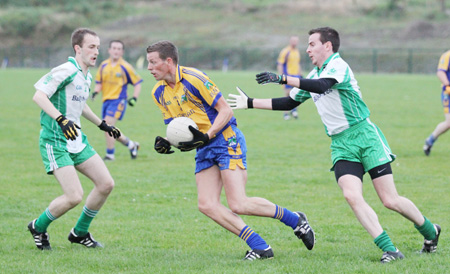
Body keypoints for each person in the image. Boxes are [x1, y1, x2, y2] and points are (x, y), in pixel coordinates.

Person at [227, 27, 441, 263]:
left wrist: (283, 78)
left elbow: (321, 86)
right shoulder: (314, 73)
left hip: (365, 136)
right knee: (351, 195)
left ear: (327, 46)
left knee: (390, 200)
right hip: (341, 144)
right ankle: (390, 249)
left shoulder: (338, 66)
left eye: (312, 44)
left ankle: (431, 232)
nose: (307, 49)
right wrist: (249, 102)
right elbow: (289, 102)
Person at [146, 40, 315, 260]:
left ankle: (295, 220)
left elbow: (225, 111)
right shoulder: (157, 92)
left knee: (239, 203)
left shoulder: (195, 79)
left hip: (226, 139)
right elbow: (177, 127)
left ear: (169, 61)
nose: (149, 67)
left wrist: (207, 135)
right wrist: (168, 142)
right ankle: (260, 247)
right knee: (206, 204)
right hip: (204, 147)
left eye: (153, 62)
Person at [29, 28, 121, 250]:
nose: (96, 51)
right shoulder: (65, 70)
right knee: (74, 196)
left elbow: (80, 105)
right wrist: (61, 119)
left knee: (106, 184)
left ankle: (79, 233)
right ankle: (38, 227)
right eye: (91, 47)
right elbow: (39, 95)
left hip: (76, 140)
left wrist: (102, 124)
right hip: (55, 141)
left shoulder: (85, 75)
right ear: (77, 49)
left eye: (98, 47)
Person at [92, 40, 142, 161]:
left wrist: (134, 97)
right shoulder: (103, 65)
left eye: (119, 49)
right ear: (109, 50)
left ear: (122, 52)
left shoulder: (125, 67)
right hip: (106, 101)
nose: (116, 51)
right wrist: (95, 92)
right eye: (114, 48)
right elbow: (99, 83)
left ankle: (110, 154)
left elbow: (137, 82)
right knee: (108, 127)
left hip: (119, 100)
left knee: (107, 125)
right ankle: (131, 145)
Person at [423, 49, 450, 156]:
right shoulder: (447, 55)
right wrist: (447, 84)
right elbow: (440, 72)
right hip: (448, 94)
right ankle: (430, 140)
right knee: (449, 123)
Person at [277, 36, 302, 120]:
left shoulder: (297, 51)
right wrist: (281, 76)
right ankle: (286, 113)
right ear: (290, 41)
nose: (295, 43)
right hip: (287, 75)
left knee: (295, 93)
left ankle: (293, 110)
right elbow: (280, 63)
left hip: (296, 75)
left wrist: (300, 73)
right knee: (288, 93)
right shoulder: (285, 51)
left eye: (296, 41)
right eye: (293, 41)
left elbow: (298, 63)